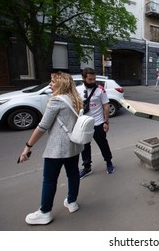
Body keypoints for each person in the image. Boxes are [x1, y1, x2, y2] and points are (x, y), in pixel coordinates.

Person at [19, 72, 84, 225]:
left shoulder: (56, 101)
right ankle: (72, 202)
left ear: (61, 84)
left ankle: (44, 212)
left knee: (49, 180)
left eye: (53, 82)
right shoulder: (76, 99)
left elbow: (42, 126)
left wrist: (28, 146)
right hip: (74, 145)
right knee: (73, 174)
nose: (50, 84)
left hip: (57, 149)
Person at [77, 68, 114, 179]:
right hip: (83, 125)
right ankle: (87, 167)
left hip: (98, 123)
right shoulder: (77, 90)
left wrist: (106, 121)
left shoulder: (100, 90)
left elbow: (106, 105)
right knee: (84, 147)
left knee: (103, 144)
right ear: (83, 78)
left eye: (94, 79)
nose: (93, 81)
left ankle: (109, 162)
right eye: (90, 79)